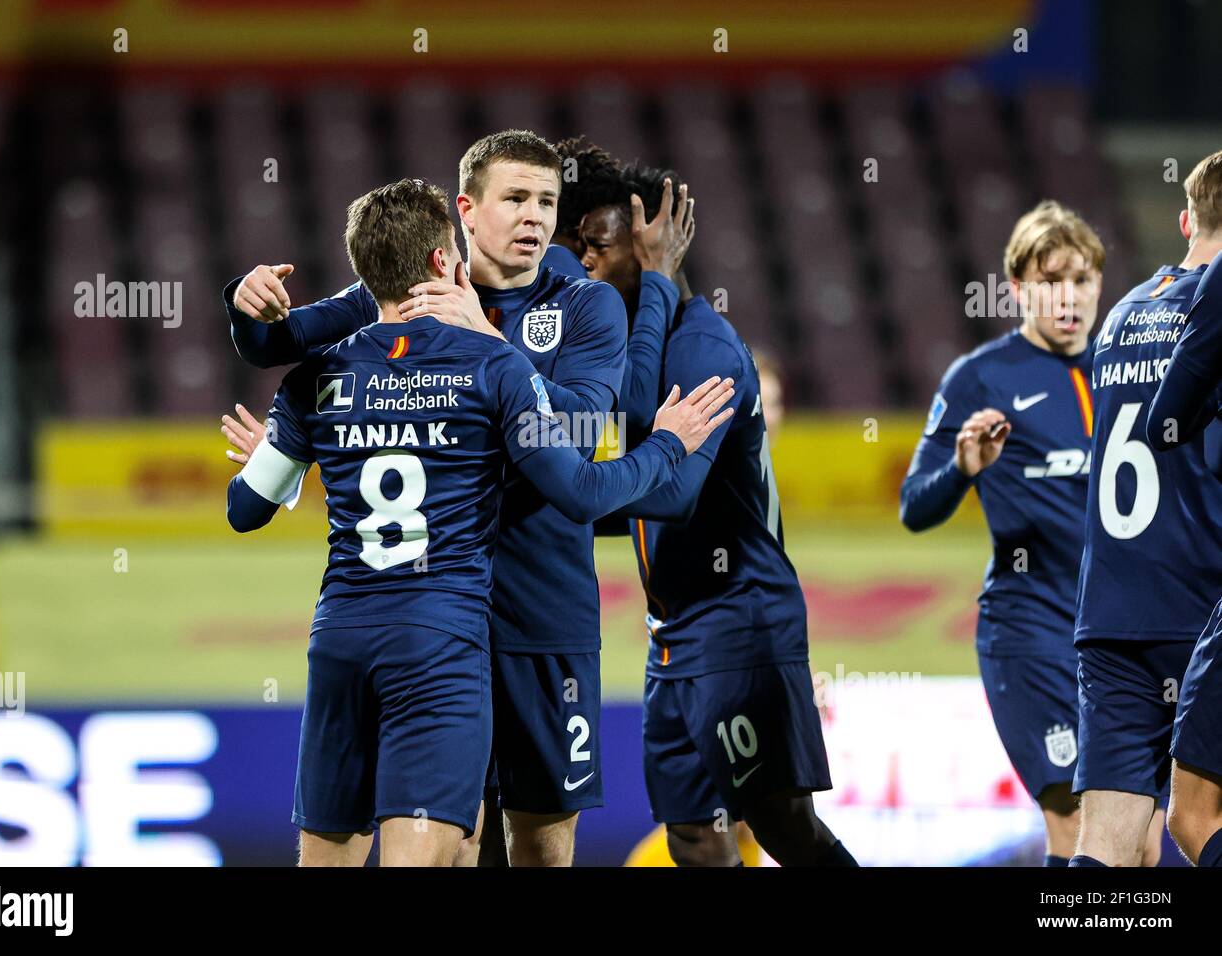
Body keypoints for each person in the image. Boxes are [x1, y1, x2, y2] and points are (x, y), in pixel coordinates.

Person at [223, 177, 733, 866]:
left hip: (339, 639)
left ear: (362, 272)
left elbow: (244, 510)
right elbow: (581, 489)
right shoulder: (493, 365)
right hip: (438, 645)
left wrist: (288, 462)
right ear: (444, 262)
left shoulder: (312, 377)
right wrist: (668, 442)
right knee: (437, 853)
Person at [579, 161, 855, 866]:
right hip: (672, 635)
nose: (584, 260)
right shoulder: (644, 348)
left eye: (599, 244)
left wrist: (569, 490)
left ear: (650, 247)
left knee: (783, 827)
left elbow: (671, 494)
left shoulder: (702, 349)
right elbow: (641, 502)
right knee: (694, 835)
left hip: (738, 624)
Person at [902, 201, 1162, 864]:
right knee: (1076, 822)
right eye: (1052, 282)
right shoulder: (981, 378)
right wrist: (963, 467)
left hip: (1124, 636)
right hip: (1031, 633)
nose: (1069, 298)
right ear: (1018, 289)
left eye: (1082, 280)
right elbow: (914, 507)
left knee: (1142, 841)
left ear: (1101, 285)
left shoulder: (1127, 370)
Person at [1068, 151, 1222, 867]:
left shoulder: (1123, 314)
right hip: (1202, 603)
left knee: (1111, 844)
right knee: (1202, 818)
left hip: (1114, 610)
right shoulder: (1214, 313)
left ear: (1187, 219)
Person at [1141, 150, 1222, 867]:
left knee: (1190, 814)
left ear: (1186, 216)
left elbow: (1164, 421)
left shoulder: (1199, 294)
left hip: (1165, 600)